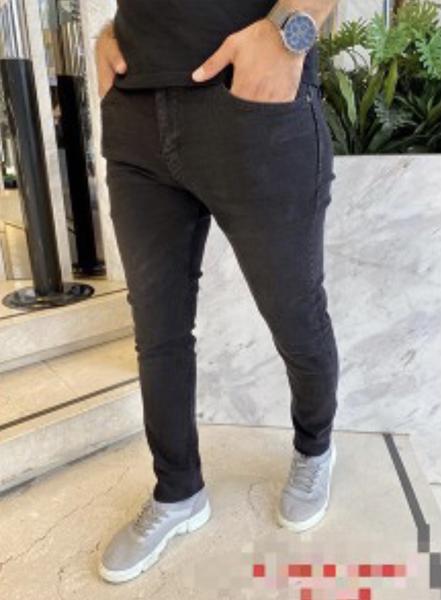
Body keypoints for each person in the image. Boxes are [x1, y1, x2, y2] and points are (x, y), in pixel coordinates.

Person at [95, 0, 340, 584]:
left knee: (293, 310)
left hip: (251, 106)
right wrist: (110, 29)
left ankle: (315, 447)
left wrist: (288, 31)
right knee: (157, 329)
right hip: (135, 112)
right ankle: (178, 491)